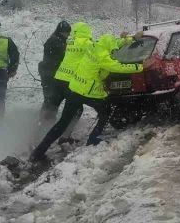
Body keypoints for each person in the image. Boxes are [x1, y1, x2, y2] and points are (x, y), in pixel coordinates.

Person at [29, 33, 143, 163]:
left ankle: (38, 152)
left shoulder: (94, 46)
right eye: (113, 50)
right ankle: (93, 139)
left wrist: (129, 39)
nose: (114, 51)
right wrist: (141, 66)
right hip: (88, 92)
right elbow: (118, 67)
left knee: (62, 123)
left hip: (74, 89)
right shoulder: (103, 56)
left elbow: (115, 42)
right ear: (108, 48)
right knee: (106, 111)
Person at [45, 22, 93, 143]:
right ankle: (64, 136)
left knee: (50, 106)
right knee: (76, 109)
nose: (68, 35)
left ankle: (38, 134)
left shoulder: (68, 42)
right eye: (66, 32)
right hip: (68, 81)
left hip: (57, 78)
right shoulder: (83, 43)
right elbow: (100, 49)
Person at [36, 21, 71, 128]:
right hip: (51, 74)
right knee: (50, 100)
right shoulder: (57, 41)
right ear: (62, 31)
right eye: (67, 33)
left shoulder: (56, 39)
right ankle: (45, 125)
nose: (68, 35)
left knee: (49, 99)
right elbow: (63, 56)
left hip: (49, 73)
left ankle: (43, 122)